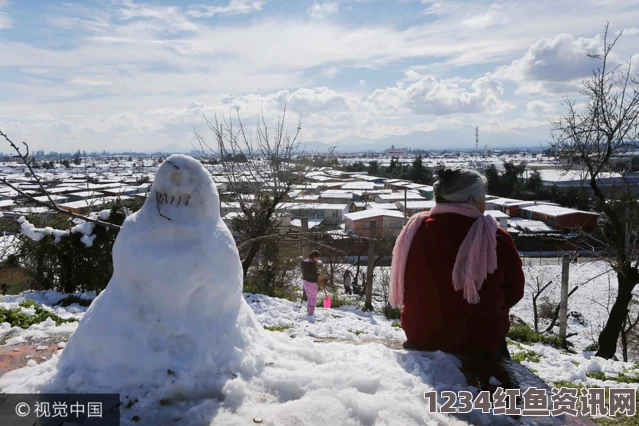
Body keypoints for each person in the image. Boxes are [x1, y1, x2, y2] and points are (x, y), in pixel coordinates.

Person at [389, 167, 525, 360]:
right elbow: (515, 291)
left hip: (421, 336)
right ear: (471, 201)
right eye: (483, 199)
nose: (484, 205)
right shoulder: (493, 237)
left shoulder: (415, 232)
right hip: (478, 342)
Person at [301, 250, 324, 317]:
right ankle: (311, 314)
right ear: (314, 257)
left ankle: (309, 312)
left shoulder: (305, 262)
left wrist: (317, 274)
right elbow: (311, 273)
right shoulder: (311, 263)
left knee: (310, 298)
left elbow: (308, 273)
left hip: (306, 282)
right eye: (317, 258)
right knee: (313, 298)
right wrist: (318, 275)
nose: (318, 259)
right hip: (311, 282)